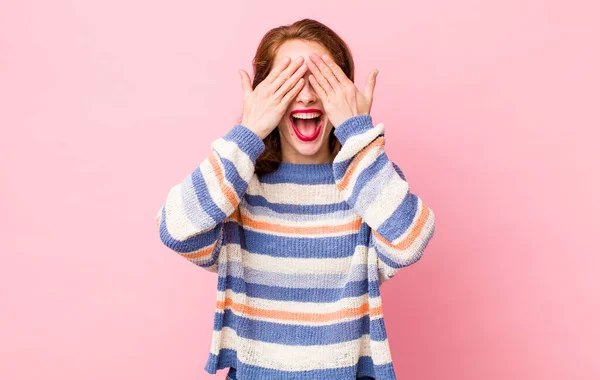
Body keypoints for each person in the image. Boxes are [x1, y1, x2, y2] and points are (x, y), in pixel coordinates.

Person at [156, 18, 436, 380]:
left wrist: (357, 132)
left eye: (321, 80)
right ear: (263, 94)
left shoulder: (368, 183)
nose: (305, 96)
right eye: (287, 82)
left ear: (344, 93)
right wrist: (248, 131)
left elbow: (411, 240)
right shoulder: (235, 188)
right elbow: (175, 229)